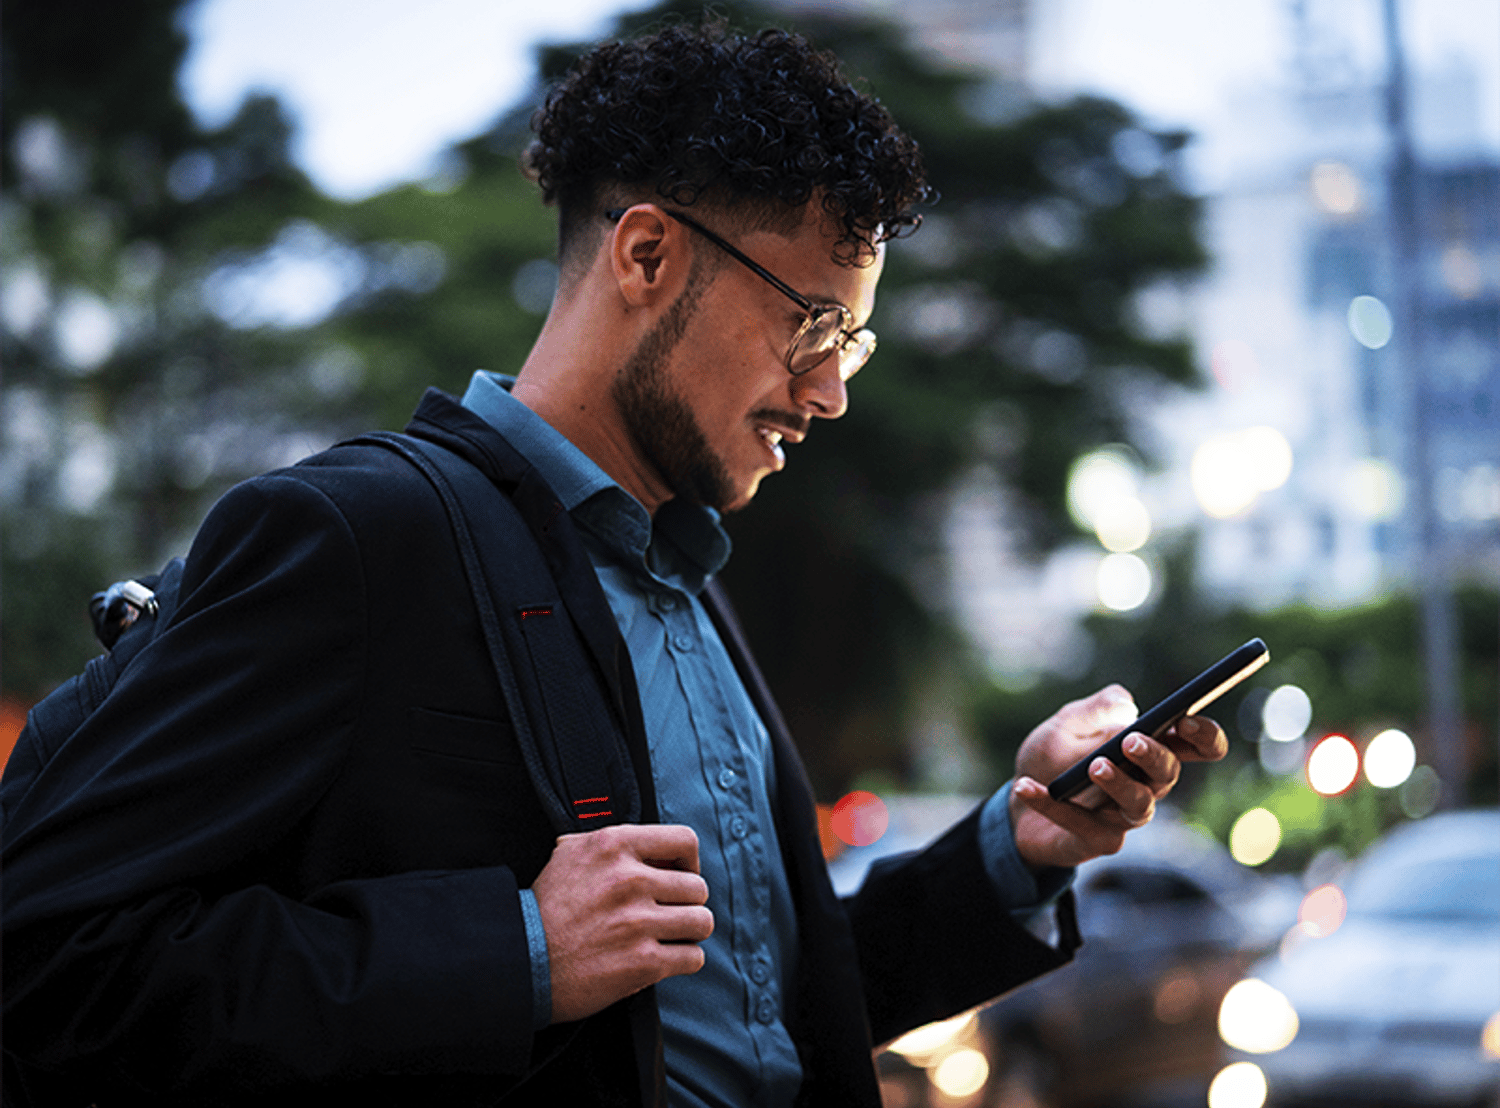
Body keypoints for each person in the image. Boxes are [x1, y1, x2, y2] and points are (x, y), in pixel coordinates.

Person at [1, 20, 1227, 1108]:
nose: (834, 389)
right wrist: (515, 949)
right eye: (812, 323)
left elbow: (764, 1008)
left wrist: (1018, 851)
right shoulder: (358, 535)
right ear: (646, 256)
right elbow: (48, 958)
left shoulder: (682, 578)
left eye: (853, 337)